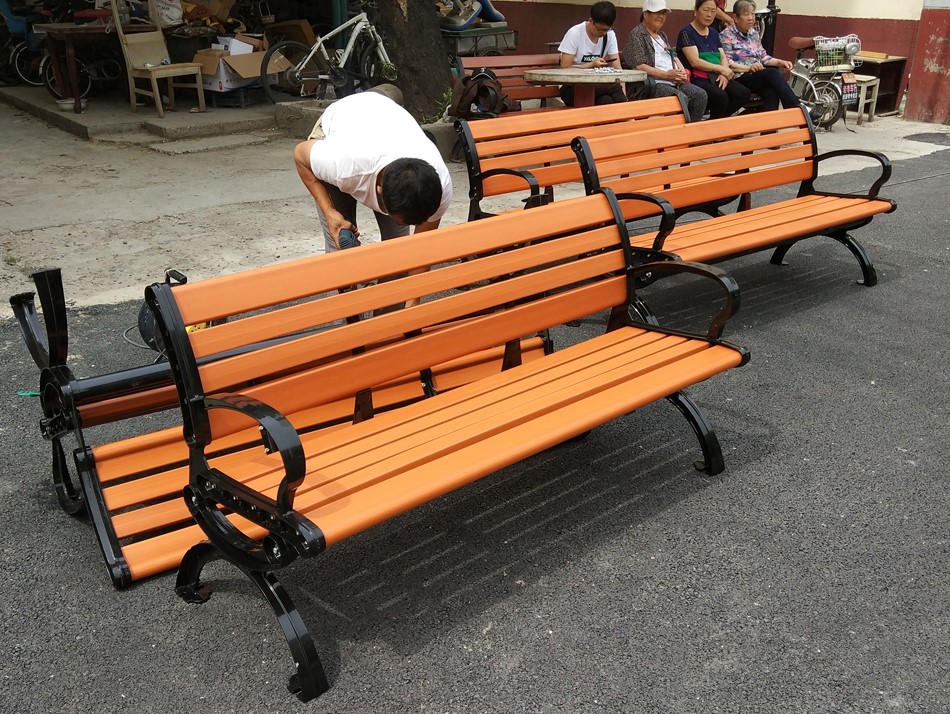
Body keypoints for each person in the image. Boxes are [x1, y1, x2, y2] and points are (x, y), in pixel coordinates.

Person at [293, 91, 452, 257]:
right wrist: (330, 212)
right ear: (379, 190)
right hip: (342, 119)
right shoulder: (343, 165)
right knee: (340, 246)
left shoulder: (439, 188)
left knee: (397, 250)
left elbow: (420, 248)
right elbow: (300, 156)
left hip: (385, 119)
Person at [622, 0, 707, 122]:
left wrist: (681, 73)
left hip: (672, 81)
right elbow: (638, 66)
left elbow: (674, 56)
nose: (661, 16)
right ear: (645, 14)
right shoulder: (637, 34)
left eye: (663, 13)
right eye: (657, 12)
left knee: (700, 95)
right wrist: (666, 75)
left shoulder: (662, 35)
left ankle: (689, 131)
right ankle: (674, 131)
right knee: (680, 99)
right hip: (653, 84)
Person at [720, 0, 801, 112]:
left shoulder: (753, 33)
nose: (750, 18)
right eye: (746, 14)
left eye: (752, 14)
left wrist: (780, 62)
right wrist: (749, 68)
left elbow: (763, 57)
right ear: (736, 17)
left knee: (771, 92)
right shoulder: (726, 35)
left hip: (756, 75)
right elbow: (727, 63)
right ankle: (797, 108)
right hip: (739, 76)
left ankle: (768, 124)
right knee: (772, 73)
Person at [676, 0, 750, 119]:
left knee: (742, 93)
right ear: (696, 11)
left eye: (713, 11)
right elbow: (695, 61)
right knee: (720, 96)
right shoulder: (686, 32)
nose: (709, 15)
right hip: (698, 79)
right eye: (706, 10)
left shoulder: (714, 33)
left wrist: (724, 73)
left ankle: (716, 122)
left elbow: (722, 56)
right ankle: (716, 126)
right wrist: (720, 69)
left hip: (716, 76)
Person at [557, 1, 627, 106]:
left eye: (606, 30)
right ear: (591, 21)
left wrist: (624, 93)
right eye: (600, 29)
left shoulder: (610, 35)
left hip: (596, 84)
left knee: (606, 101)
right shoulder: (575, 33)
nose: (603, 33)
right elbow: (564, 69)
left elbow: (618, 70)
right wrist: (591, 65)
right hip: (572, 87)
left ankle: (626, 112)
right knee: (613, 87)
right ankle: (629, 113)